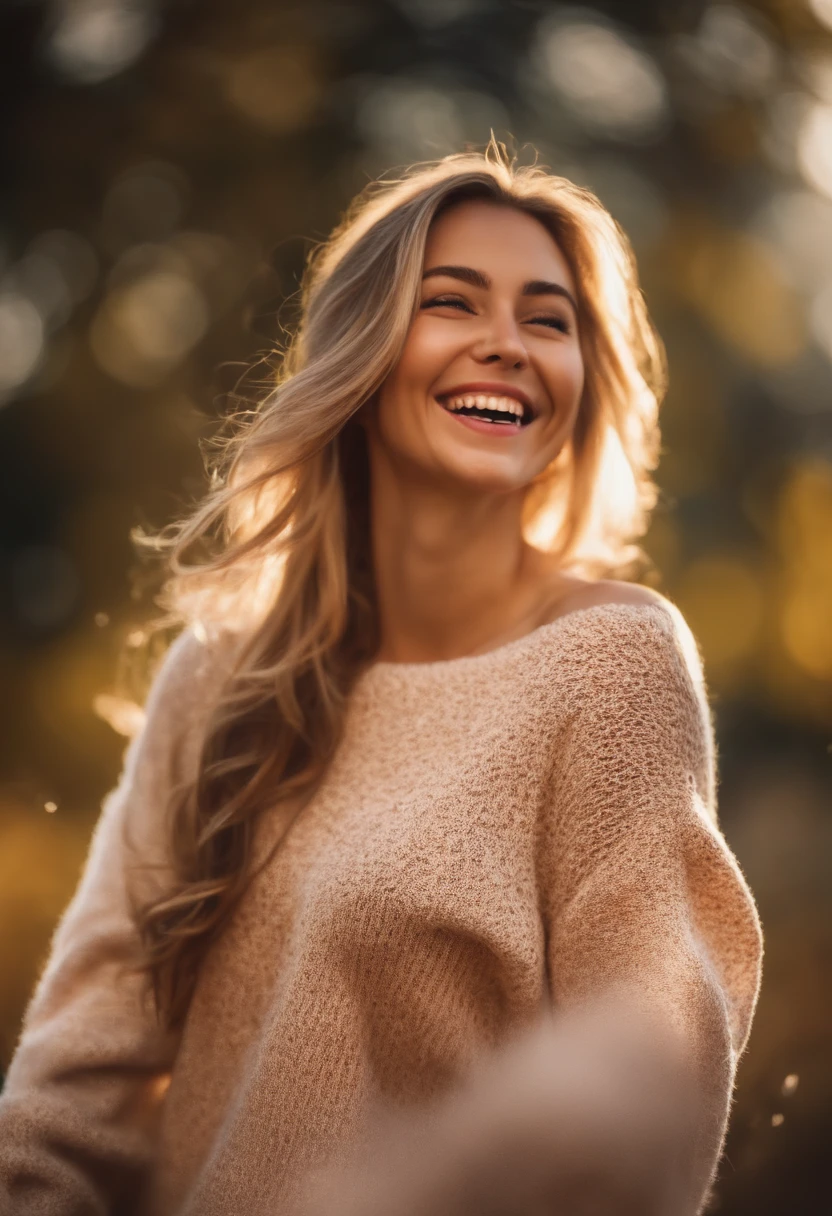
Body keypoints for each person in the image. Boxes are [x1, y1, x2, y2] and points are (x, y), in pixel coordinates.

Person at [0, 143, 763, 1216]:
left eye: (548, 320)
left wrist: (451, 1168)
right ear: (359, 354)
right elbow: (76, 1073)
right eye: (452, 303)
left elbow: (653, 1032)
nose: (506, 344)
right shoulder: (218, 681)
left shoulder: (613, 663)